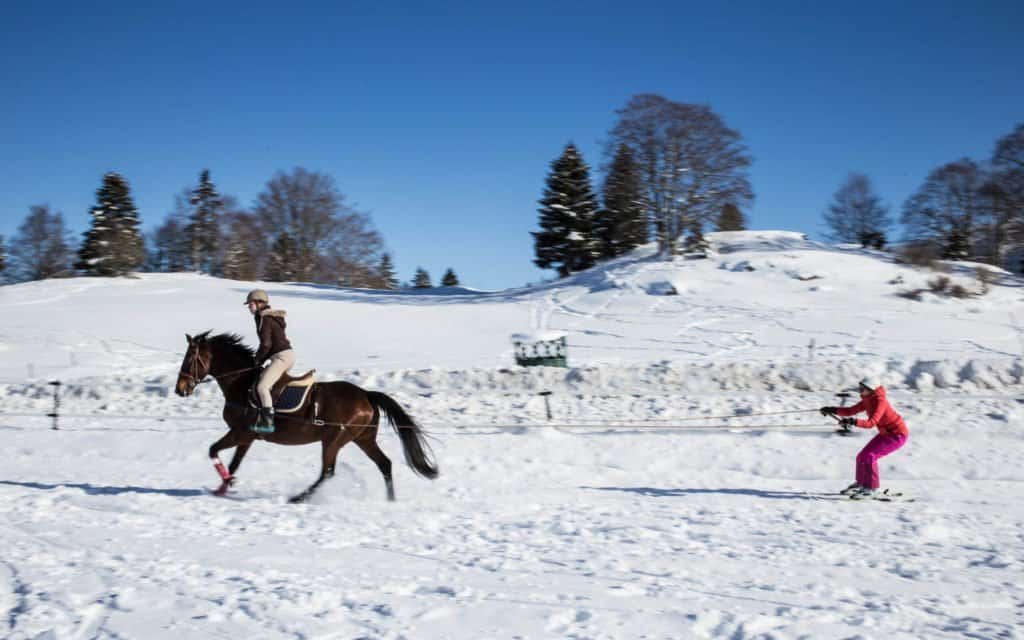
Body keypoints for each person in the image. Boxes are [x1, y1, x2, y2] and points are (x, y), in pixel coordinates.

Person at [820, 377, 909, 499]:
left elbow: (871, 423)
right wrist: (832, 409)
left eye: (862, 388)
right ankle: (861, 484)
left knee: (870, 456)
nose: (860, 391)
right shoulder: (868, 400)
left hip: (897, 434)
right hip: (885, 433)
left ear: (871, 389)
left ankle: (873, 488)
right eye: (859, 388)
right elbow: (851, 411)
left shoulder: (880, 401)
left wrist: (854, 422)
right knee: (861, 456)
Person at [244, 289, 295, 433]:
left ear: (260, 303)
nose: (249, 307)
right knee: (266, 383)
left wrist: (257, 359)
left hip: (281, 357)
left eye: (250, 304)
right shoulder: (264, 317)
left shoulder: (264, 318)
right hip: (285, 356)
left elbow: (266, 344)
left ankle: (267, 423)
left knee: (262, 387)